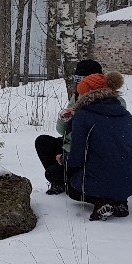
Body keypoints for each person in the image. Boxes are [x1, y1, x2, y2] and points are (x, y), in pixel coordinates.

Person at [57, 72, 132, 221]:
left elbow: (77, 158)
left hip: (100, 178)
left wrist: (63, 159)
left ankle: (101, 203)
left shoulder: (83, 116)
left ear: (85, 95)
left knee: (72, 187)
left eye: (80, 94)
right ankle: (120, 202)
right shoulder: (125, 114)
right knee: (113, 173)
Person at [35, 58, 107, 195]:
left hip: (89, 153)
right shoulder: (77, 97)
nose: (79, 86)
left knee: (55, 173)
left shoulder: (111, 101)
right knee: (42, 141)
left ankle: (69, 179)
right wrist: (64, 118)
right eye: (78, 81)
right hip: (71, 146)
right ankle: (59, 182)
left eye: (83, 81)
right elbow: (62, 131)